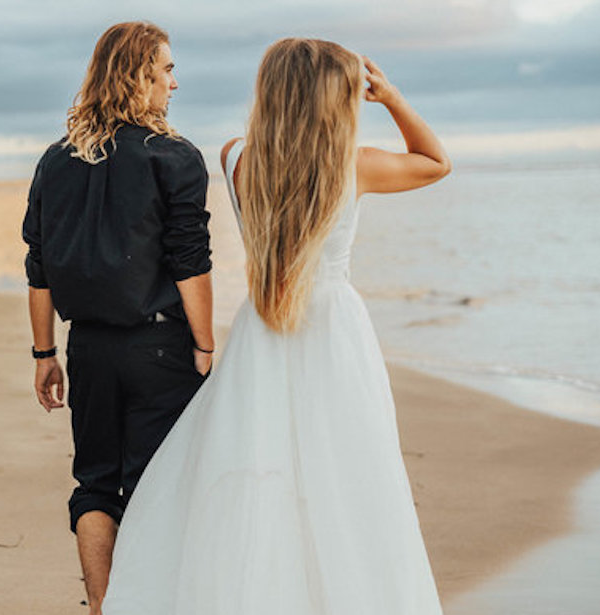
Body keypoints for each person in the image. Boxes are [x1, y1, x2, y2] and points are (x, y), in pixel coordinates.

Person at [101, 38, 451, 615]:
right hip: (334, 329)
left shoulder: (237, 157)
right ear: (333, 97)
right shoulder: (354, 164)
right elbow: (436, 162)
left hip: (262, 328)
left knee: (259, 470)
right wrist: (391, 98)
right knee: (345, 472)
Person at [21, 22, 213, 615]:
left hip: (88, 349)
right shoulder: (174, 156)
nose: (174, 83)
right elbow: (190, 261)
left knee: (97, 484)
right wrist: (205, 346)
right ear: (139, 74)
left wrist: (44, 354)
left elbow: (40, 266)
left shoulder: (55, 161)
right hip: (160, 348)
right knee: (166, 484)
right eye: (167, 70)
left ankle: (105, 606)